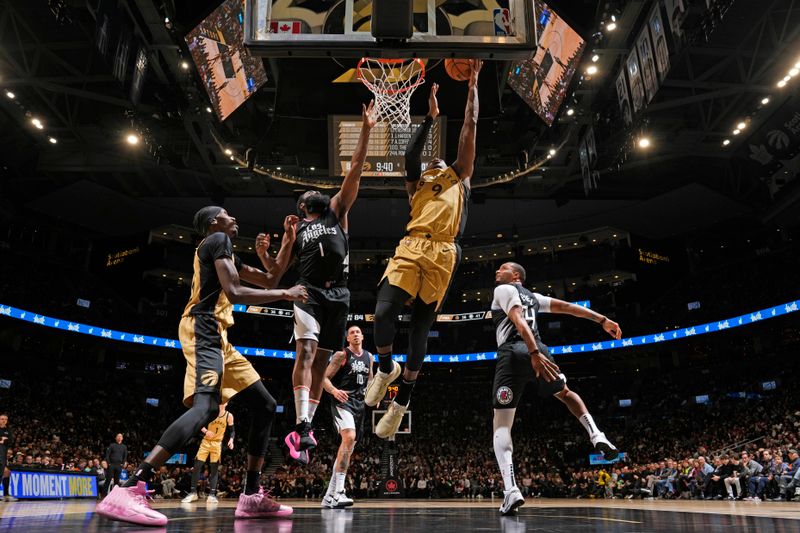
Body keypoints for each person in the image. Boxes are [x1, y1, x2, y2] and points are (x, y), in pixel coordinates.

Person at [96, 206, 307, 526]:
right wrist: (285, 294)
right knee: (207, 408)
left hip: (220, 337)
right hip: (203, 328)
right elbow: (237, 292)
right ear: (213, 223)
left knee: (265, 404)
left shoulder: (225, 252)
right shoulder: (216, 240)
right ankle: (129, 487)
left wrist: (288, 241)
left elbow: (269, 277)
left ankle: (251, 496)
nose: (235, 218)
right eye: (227, 215)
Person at [367, 60, 483, 438]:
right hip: (411, 247)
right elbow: (410, 156)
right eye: (432, 160)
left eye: (440, 158)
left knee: (419, 333)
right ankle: (386, 368)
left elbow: (470, 128)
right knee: (383, 313)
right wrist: (430, 118)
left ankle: (401, 403)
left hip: (444, 254)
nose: (435, 160)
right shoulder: (415, 184)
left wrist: (472, 86)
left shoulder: (458, 177)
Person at [275, 101, 375, 460]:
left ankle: (305, 429)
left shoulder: (337, 212)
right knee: (307, 351)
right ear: (303, 206)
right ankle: (302, 424)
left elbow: (356, 170)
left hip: (340, 294)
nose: (312, 192)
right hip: (307, 291)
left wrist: (366, 129)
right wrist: (275, 245)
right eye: (307, 194)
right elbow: (276, 270)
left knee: (324, 360)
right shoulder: (297, 228)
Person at [488, 262, 622, 515]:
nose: (497, 271)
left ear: (515, 275)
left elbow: (516, 318)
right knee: (566, 393)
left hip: (517, 353)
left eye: (503, 267)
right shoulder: (535, 298)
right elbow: (569, 309)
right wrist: (602, 319)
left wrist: (533, 352)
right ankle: (596, 434)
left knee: (502, 424)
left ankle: (511, 490)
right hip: (540, 349)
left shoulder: (503, 290)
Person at [321, 325, 373, 508]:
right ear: (347, 338)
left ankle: (329, 496)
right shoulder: (341, 355)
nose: (356, 334)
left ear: (363, 336)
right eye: (352, 333)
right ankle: (339, 493)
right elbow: (323, 378)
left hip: (360, 405)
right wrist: (334, 391)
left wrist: (376, 394)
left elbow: (371, 382)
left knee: (348, 447)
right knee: (349, 437)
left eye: (358, 332)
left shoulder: (370, 357)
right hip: (342, 401)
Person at [182, 403, 235, 504]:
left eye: (224, 401)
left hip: (217, 444)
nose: (222, 402)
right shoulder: (211, 412)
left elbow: (232, 431)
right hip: (206, 442)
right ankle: (193, 493)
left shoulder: (229, 416)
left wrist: (231, 440)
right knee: (197, 466)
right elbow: (199, 424)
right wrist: (206, 431)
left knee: (214, 469)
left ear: (227, 403)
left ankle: (212, 495)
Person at [0, 414, 16, 502]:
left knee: (6, 472)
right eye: (2, 419)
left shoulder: (8, 430)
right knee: (4, 472)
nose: (3, 421)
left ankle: (6, 494)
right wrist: (2, 439)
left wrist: (3, 440)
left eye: (5, 419)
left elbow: (10, 441)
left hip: (3, 454)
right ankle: (5, 494)